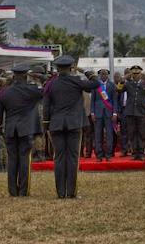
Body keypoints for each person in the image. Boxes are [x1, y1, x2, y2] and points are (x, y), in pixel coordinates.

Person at [43, 56, 99, 199]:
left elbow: (46, 106)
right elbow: (96, 83)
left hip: (56, 123)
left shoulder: (51, 84)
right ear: (70, 68)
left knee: (59, 157)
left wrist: (46, 124)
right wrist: (87, 72)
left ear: (57, 68)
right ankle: (71, 192)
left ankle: (60, 192)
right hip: (74, 123)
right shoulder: (76, 81)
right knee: (73, 157)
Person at [0, 64, 44, 196]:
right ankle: (23, 190)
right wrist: (41, 78)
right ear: (25, 75)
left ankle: (12, 191)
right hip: (26, 129)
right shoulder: (31, 90)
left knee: (12, 160)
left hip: (10, 129)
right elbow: (45, 92)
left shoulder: (4, 92)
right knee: (24, 160)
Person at [117, 65, 145, 161]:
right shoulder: (128, 83)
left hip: (141, 112)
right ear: (131, 74)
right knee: (132, 133)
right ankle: (134, 153)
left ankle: (141, 153)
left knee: (142, 133)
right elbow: (119, 90)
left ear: (140, 73)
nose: (136, 75)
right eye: (134, 73)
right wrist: (123, 79)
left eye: (137, 73)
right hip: (130, 112)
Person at [90, 69, 118, 162]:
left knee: (109, 135)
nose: (103, 76)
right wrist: (92, 113)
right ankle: (99, 155)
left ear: (108, 75)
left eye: (105, 74)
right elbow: (92, 100)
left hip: (109, 113)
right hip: (97, 114)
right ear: (99, 75)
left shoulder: (112, 85)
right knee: (98, 135)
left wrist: (114, 113)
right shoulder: (96, 85)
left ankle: (108, 155)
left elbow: (115, 100)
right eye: (102, 74)